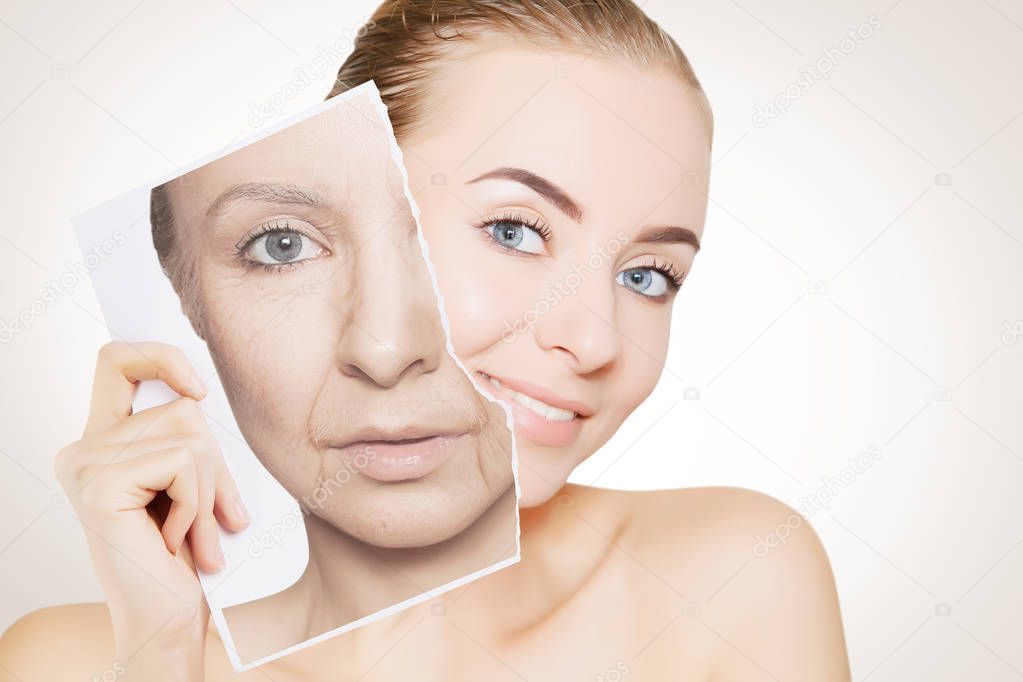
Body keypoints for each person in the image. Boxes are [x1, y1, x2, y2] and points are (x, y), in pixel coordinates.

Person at [0, 1, 851, 680]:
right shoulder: (67, 663)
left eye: (647, 276)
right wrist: (159, 660)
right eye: (515, 230)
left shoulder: (734, 577)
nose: (595, 339)